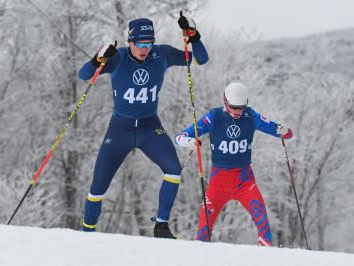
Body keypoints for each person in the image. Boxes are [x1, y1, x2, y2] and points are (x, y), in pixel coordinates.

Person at [78, 13, 209, 238]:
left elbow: (200, 59)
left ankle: (161, 226)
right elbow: (83, 75)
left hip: (150, 128)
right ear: (130, 41)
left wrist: (194, 36)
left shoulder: (162, 54)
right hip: (120, 130)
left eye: (149, 43)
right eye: (140, 43)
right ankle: (86, 233)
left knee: (173, 170)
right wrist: (97, 60)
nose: (145, 49)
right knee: (98, 186)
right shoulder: (117, 58)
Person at [175, 82, 293, 246]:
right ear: (225, 102)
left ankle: (267, 258)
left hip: (244, 181)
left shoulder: (250, 116)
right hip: (218, 183)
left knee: (263, 221)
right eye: (233, 107)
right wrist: (190, 141)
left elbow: (285, 133)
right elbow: (180, 137)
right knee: (203, 230)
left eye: (241, 107)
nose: (237, 112)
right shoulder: (214, 116)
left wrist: (283, 130)